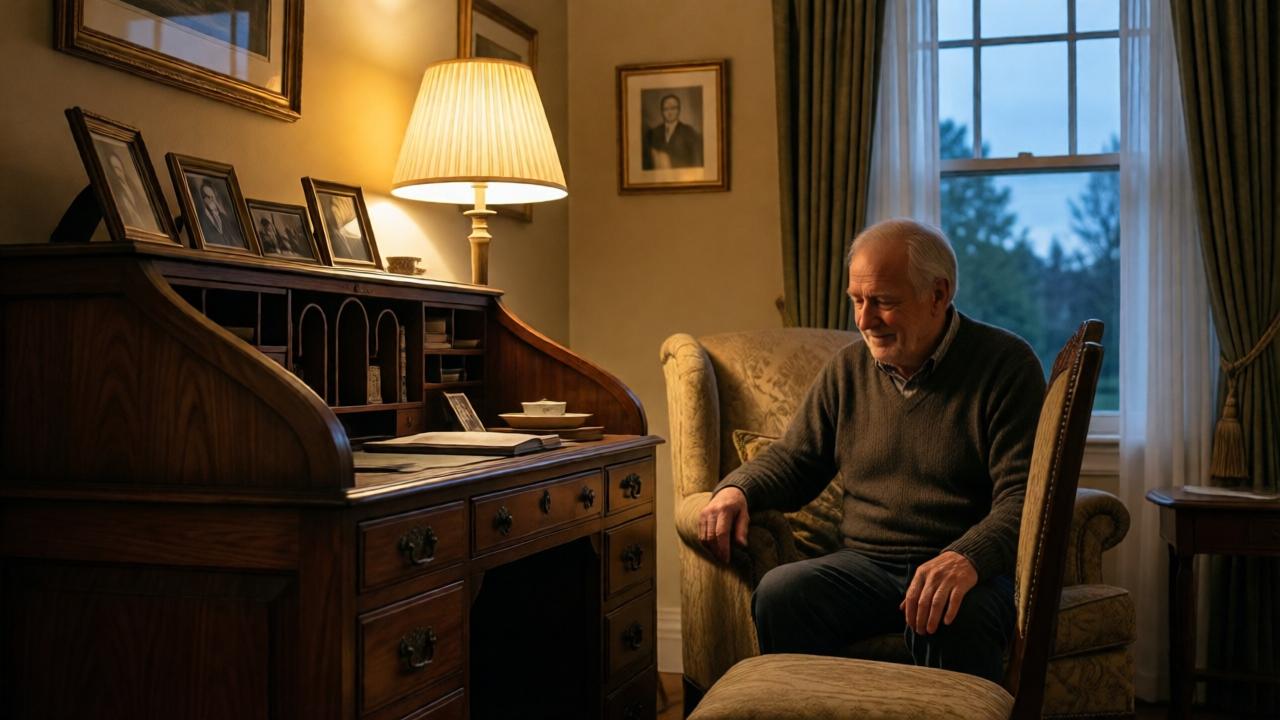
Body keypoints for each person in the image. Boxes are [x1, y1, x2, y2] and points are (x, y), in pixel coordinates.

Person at [697, 218, 1045, 684]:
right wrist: (736, 490)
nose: (863, 321)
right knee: (782, 592)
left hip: (966, 568)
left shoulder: (1006, 365)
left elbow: (1024, 497)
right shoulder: (847, 371)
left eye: (883, 302)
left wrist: (968, 558)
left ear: (938, 295)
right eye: (857, 301)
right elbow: (798, 458)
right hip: (865, 567)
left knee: (952, 615)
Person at [642, 93, 703, 169]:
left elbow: (696, 162)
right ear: (662, 111)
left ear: (679, 109)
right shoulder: (653, 133)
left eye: (673, 108)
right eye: (666, 109)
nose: (669, 112)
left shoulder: (689, 132)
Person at [194, 178, 243, 248]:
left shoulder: (223, 217)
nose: (213, 200)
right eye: (209, 197)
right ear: (203, 199)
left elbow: (235, 243)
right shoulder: (200, 219)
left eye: (213, 197)